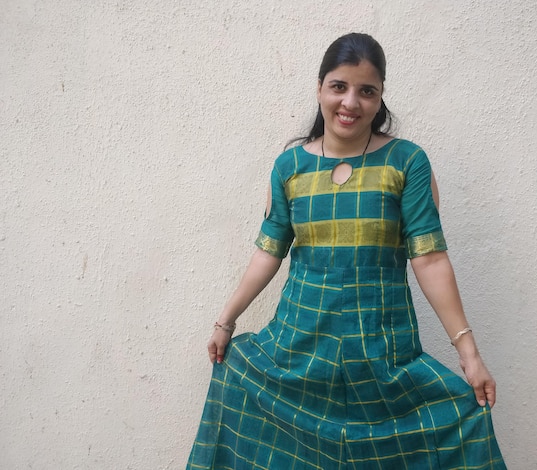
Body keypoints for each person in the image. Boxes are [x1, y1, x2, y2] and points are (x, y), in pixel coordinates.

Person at [187, 33, 506, 469]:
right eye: (339, 86)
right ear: (320, 88)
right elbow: (269, 251)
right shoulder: (290, 167)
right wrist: (226, 321)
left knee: (450, 428)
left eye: (366, 91)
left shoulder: (406, 163)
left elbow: (429, 258)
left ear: (380, 99)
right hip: (297, 349)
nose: (350, 102)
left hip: (382, 354)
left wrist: (469, 355)